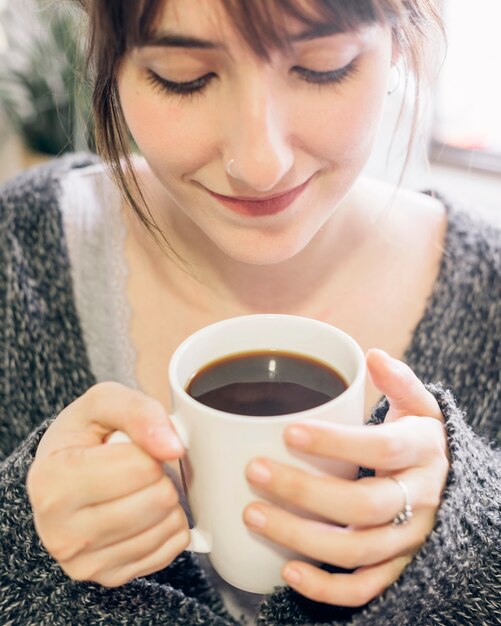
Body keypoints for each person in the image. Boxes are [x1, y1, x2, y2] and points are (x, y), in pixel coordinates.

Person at [0, 0, 499, 624]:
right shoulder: (17, 255)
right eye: (183, 76)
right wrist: (21, 535)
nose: (260, 165)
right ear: (110, 61)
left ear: (397, 41)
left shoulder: (491, 299)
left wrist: (471, 539)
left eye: (324, 67)